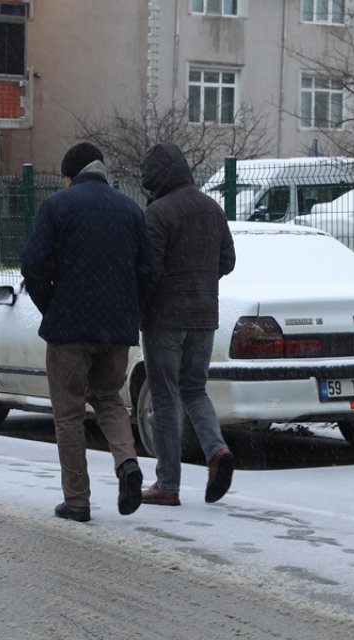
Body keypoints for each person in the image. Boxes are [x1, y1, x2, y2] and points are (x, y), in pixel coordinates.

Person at [21, 142, 159, 522]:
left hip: (69, 330)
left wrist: (53, 306)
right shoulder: (130, 209)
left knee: (68, 414)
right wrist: (127, 310)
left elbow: (33, 265)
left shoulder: (57, 206)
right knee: (110, 400)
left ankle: (77, 500)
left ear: (71, 175)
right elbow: (150, 272)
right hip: (115, 331)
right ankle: (127, 463)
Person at [137, 142, 237, 506]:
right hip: (205, 316)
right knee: (195, 391)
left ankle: (168, 484)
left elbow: (150, 270)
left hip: (165, 319)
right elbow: (228, 260)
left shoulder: (157, 214)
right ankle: (217, 451)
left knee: (164, 399)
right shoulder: (212, 208)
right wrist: (200, 280)